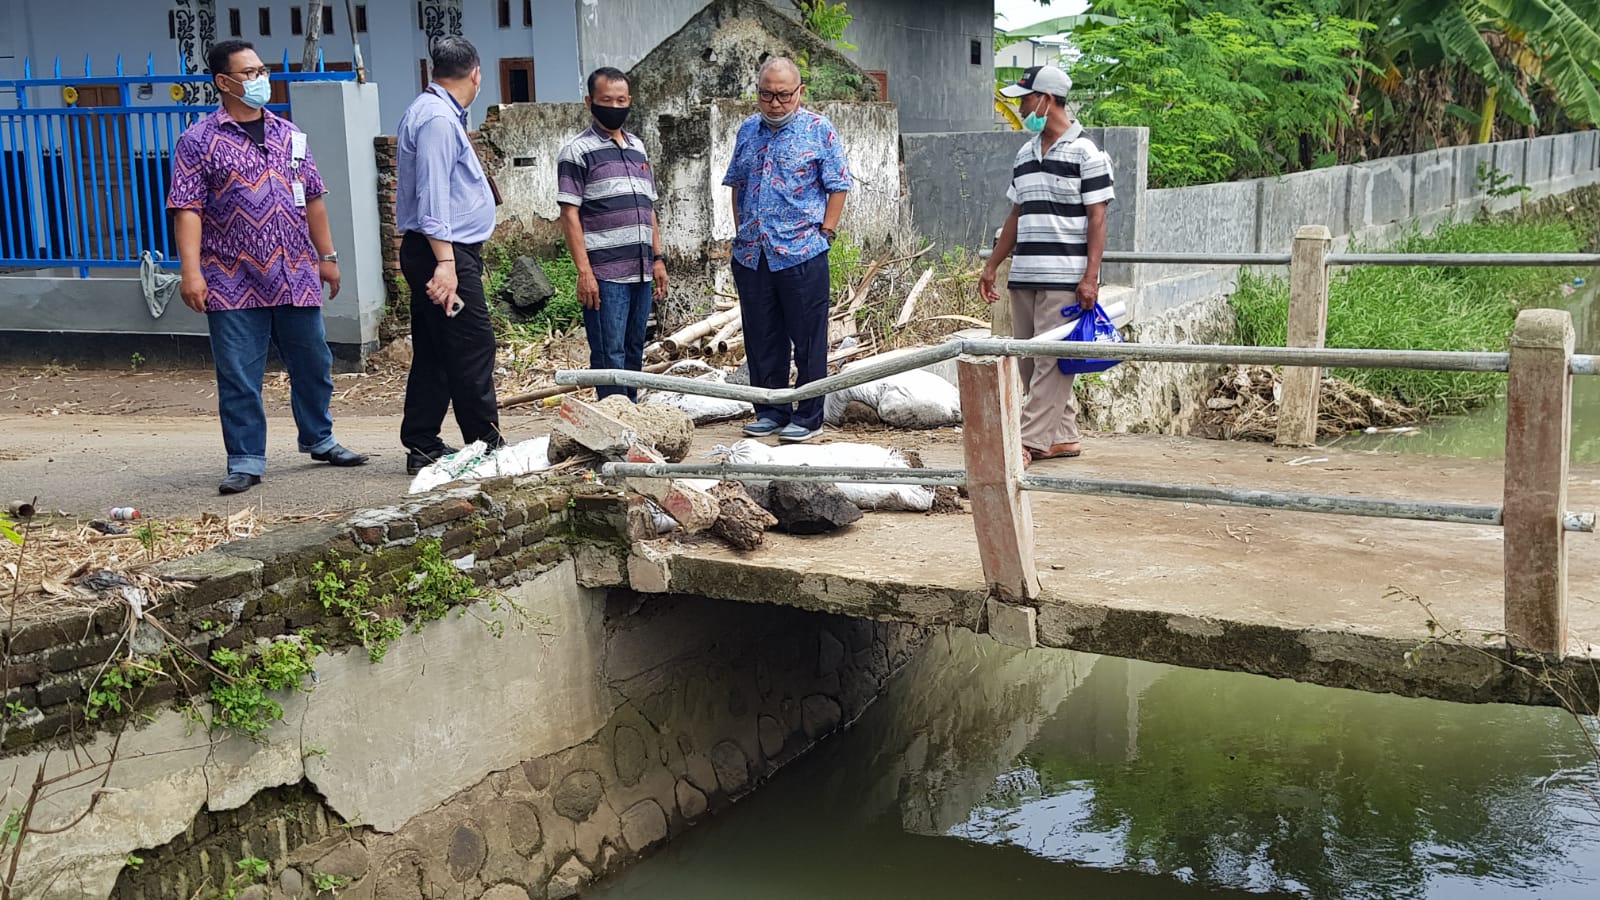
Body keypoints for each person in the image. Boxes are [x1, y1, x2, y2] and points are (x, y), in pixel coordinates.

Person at [168, 39, 367, 496]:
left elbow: (313, 196)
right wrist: (191, 271)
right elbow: (187, 208)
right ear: (223, 82)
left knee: (314, 362)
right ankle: (245, 458)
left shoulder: (288, 134)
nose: (261, 80)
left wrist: (328, 257)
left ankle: (320, 438)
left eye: (262, 71)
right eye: (249, 73)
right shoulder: (198, 140)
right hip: (230, 277)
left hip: (296, 271)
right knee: (239, 373)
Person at [978, 65, 1114, 464]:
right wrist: (992, 266)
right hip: (1025, 274)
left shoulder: (1087, 153)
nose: (1020, 107)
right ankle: (1063, 436)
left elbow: (1098, 218)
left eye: (1025, 98)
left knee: (1051, 361)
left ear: (1047, 99)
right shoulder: (1024, 154)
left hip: (1065, 278)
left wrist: (1090, 277)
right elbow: (1016, 215)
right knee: (1028, 361)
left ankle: (1028, 441)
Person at [722, 57, 851, 443]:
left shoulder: (818, 131)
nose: (775, 103)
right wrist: (742, 230)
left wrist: (825, 232)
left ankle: (808, 416)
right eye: (766, 94)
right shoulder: (747, 130)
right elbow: (737, 185)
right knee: (762, 337)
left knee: (808, 340)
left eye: (783, 95)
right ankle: (770, 410)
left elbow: (838, 186)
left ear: (799, 92)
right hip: (753, 254)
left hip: (802, 253)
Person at [395, 36, 503, 476]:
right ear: (476, 74)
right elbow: (432, 196)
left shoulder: (430, 111)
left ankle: (421, 441)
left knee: (437, 350)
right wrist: (447, 265)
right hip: (442, 251)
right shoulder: (438, 119)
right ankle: (488, 444)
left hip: (437, 249)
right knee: (472, 344)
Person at [556, 67, 666, 402]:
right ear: (590, 101)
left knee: (634, 352)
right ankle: (612, 423)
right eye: (606, 100)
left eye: (621, 100)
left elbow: (649, 208)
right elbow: (569, 213)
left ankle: (630, 417)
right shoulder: (576, 151)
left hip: (641, 271)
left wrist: (657, 259)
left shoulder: (638, 148)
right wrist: (584, 273)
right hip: (605, 276)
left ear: (629, 101)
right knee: (608, 355)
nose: (615, 106)